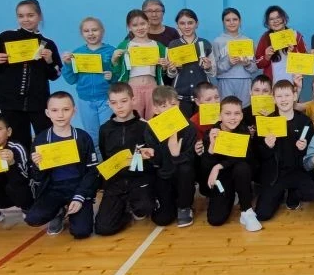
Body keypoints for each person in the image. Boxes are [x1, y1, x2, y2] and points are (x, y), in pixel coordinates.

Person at [0, 0, 62, 150]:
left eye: (30, 15)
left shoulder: (47, 43)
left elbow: (55, 75)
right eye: (21, 16)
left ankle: (41, 166)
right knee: (17, 141)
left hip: (38, 101)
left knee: (45, 138)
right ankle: (20, 165)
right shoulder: (6, 36)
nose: (26, 19)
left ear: (39, 16)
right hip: (8, 101)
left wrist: (50, 61)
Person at [25, 92, 101, 238]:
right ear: (47, 113)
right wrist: (37, 165)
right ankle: (58, 211)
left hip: (78, 186)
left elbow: (92, 171)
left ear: (74, 111)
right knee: (33, 219)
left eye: (66, 109)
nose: (60, 115)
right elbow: (37, 177)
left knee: (81, 232)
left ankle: (76, 208)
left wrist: (80, 196)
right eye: (55, 110)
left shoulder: (83, 137)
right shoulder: (41, 139)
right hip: (54, 188)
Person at [253, 80, 314, 221]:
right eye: (279, 96)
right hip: (275, 174)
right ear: (273, 99)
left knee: (313, 194)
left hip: (297, 170)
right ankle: (278, 195)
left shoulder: (305, 121)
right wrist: (268, 146)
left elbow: (310, 154)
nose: (283, 100)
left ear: (294, 96)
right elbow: (259, 155)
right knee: (262, 214)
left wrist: (303, 148)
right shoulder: (266, 122)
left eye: (287, 95)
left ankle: (293, 192)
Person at [93, 82, 154, 236]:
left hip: (139, 179)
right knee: (103, 228)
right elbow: (105, 156)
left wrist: (147, 156)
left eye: (123, 101)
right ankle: (124, 210)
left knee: (146, 208)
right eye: (114, 103)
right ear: (109, 104)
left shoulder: (145, 127)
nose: (119, 106)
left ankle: (135, 204)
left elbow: (153, 159)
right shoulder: (105, 129)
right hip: (116, 184)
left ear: (133, 100)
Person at [202, 96, 261, 231]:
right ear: (220, 116)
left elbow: (244, 156)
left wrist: (219, 166)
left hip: (240, 174)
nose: (232, 118)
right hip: (222, 179)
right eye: (228, 113)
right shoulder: (211, 134)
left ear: (241, 116)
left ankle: (246, 210)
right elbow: (205, 168)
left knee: (242, 167)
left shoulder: (244, 131)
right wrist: (211, 147)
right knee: (215, 220)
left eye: (236, 113)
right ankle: (231, 195)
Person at [146, 86, 200, 228]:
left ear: (179, 105)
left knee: (185, 169)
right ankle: (163, 201)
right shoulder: (151, 128)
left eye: (173, 104)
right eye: (164, 106)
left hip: (183, 176)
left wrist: (176, 155)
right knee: (162, 219)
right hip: (164, 175)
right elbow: (156, 162)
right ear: (156, 109)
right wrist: (152, 155)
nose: (170, 109)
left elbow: (191, 157)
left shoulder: (189, 127)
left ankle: (184, 206)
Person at [61, 17, 115, 156]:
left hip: (106, 100)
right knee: (92, 136)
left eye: (94, 30)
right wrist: (67, 65)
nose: (91, 33)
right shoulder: (77, 53)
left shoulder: (111, 51)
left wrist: (112, 76)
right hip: (85, 100)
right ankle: (97, 164)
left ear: (102, 31)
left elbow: (119, 76)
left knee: (109, 134)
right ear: (82, 34)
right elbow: (71, 80)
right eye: (86, 31)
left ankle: (111, 165)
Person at [111, 9, 174, 120]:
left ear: (148, 24)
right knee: (134, 119)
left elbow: (163, 72)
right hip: (132, 88)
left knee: (155, 118)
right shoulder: (125, 46)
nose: (140, 28)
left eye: (142, 24)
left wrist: (164, 66)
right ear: (129, 27)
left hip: (152, 87)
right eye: (135, 25)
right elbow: (117, 71)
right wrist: (114, 60)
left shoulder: (158, 46)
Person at [166, 9, 216, 118]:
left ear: (196, 24)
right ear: (177, 25)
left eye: (190, 23)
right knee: (184, 125)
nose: (186, 26)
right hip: (181, 96)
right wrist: (172, 69)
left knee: (205, 125)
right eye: (182, 23)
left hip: (204, 96)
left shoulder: (205, 44)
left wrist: (208, 67)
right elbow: (170, 75)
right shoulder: (173, 45)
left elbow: (213, 73)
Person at [213, 8, 260, 107]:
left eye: (235, 19)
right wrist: (228, 63)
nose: (231, 22)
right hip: (225, 81)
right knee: (227, 109)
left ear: (240, 21)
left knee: (244, 109)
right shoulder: (217, 41)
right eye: (227, 20)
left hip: (245, 81)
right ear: (223, 22)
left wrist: (247, 64)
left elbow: (255, 68)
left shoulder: (248, 41)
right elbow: (214, 70)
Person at [254, 5, 308, 83]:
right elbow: (258, 64)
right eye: (271, 19)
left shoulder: (295, 35)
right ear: (268, 23)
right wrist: (267, 57)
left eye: (278, 17)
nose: (275, 21)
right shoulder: (265, 38)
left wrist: (292, 53)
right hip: (272, 84)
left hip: (293, 82)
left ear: (284, 19)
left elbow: (305, 63)